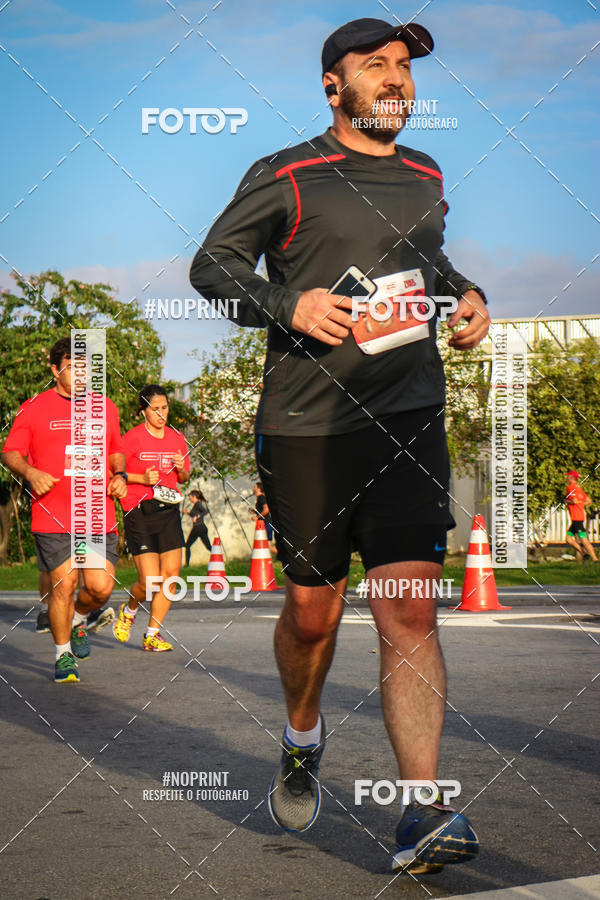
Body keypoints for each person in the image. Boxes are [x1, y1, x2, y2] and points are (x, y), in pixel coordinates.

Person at [189, 17, 490, 875]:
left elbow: (426, 261)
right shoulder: (288, 173)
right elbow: (213, 264)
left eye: (404, 68)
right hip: (308, 427)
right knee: (313, 614)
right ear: (334, 86)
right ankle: (301, 732)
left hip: (409, 416)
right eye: (376, 66)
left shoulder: (428, 173)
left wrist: (465, 293)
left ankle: (424, 812)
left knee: (406, 608)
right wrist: (289, 307)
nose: (396, 79)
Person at [2, 336, 127, 683]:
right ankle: (63, 655)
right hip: (54, 514)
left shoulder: (107, 408)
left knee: (101, 588)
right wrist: (30, 472)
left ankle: (76, 619)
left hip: (97, 513)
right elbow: (10, 452)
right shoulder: (34, 408)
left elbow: (116, 449)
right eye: (74, 367)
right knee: (64, 585)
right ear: (56, 370)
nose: (82, 374)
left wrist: (121, 475)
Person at [113, 385, 190, 650]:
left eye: (165, 408)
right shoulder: (130, 439)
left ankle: (152, 635)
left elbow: (185, 477)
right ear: (143, 411)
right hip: (138, 511)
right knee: (149, 582)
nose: (161, 414)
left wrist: (181, 470)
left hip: (168, 510)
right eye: (155, 409)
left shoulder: (177, 438)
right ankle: (130, 609)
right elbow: (115, 473)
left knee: (169, 579)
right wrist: (140, 478)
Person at [565, 471, 598, 561]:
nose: (566, 478)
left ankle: (595, 559)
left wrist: (566, 500)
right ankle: (584, 554)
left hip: (576, 519)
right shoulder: (579, 488)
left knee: (584, 540)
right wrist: (581, 504)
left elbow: (574, 501)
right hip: (577, 518)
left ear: (571, 478)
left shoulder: (570, 488)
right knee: (568, 539)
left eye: (568, 477)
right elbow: (588, 501)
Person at [183, 489, 211, 566]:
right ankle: (219, 558)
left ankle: (187, 564)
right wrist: (188, 513)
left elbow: (205, 511)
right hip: (201, 528)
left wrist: (197, 517)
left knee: (187, 545)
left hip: (198, 528)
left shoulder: (198, 504)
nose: (189, 499)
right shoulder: (196, 505)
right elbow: (194, 515)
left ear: (194, 497)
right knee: (208, 546)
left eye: (190, 497)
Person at [252, 482, 276, 551]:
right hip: (264, 524)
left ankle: (285, 558)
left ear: (258, 489)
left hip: (266, 523)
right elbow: (263, 510)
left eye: (254, 487)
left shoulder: (261, 498)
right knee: (266, 546)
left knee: (268, 546)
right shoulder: (259, 498)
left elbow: (266, 509)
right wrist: (255, 512)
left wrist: (257, 517)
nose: (253, 488)